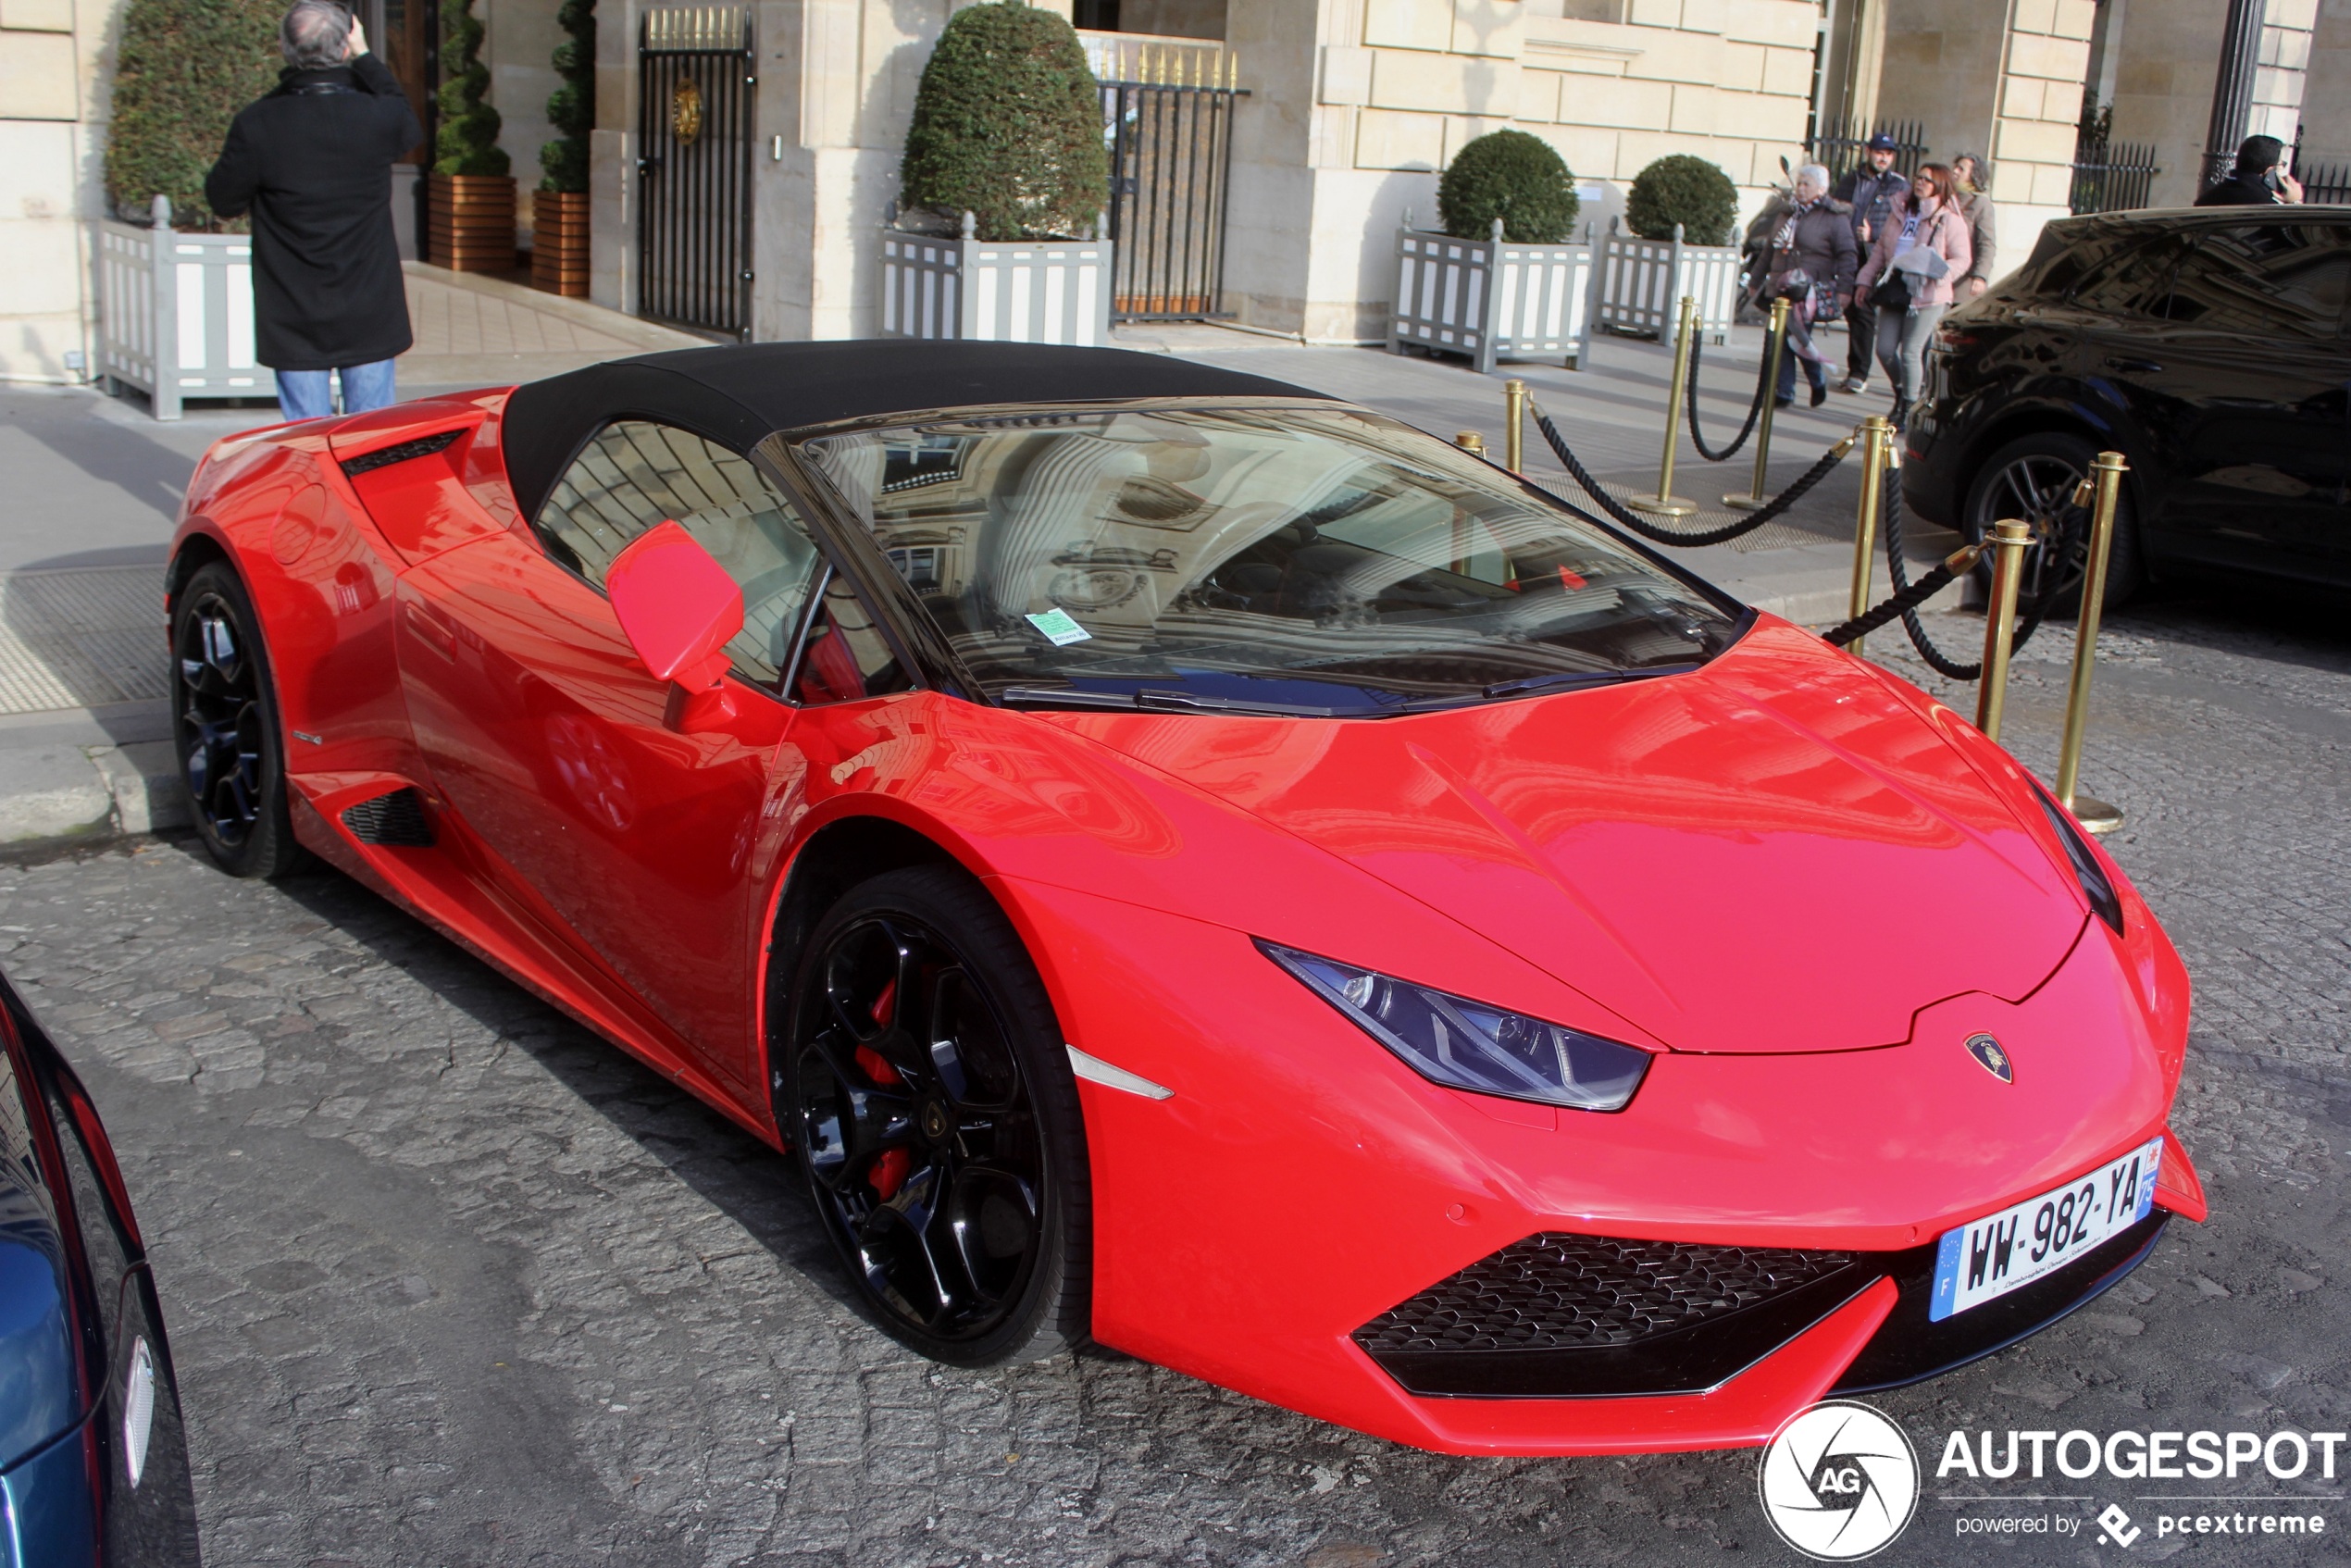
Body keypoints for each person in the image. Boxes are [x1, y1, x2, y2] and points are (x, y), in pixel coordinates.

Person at [205, 2, 421, 423]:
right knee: (370, 439)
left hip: (294, 307)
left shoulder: (259, 123)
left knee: (307, 442)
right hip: (369, 304)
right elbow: (403, 114)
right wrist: (364, 56)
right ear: (345, 46)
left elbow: (223, 200)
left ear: (287, 51)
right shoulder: (378, 115)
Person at [1855, 162, 1972, 429]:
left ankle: (1909, 407)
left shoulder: (1948, 219)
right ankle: (1903, 392)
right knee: (1884, 350)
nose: (1919, 183)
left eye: (1927, 180)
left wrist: (1939, 273)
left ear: (1940, 186)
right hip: (1896, 288)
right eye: (1918, 178)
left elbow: (1962, 259)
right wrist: (1864, 280)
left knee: (1910, 352)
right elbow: (1880, 251)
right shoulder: (1900, 212)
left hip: (1929, 293)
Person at [1751, 165, 1856, 409]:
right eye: (1799, 183)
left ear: (1821, 188)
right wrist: (1756, 280)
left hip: (1807, 288)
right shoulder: (1788, 212)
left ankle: (1815, 377)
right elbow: (1769, 250)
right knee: (1779, 338)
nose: (1800, 188)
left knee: (1796, 336)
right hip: (1780, 285)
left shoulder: (1834, 217)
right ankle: (1785, 390)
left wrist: (1845, 288)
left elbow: (1847, 254)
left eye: (1806, 184)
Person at [1831, 133, 1910, 395]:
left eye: (1888, 154)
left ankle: (1859, 372)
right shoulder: (1850, 180)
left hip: (1874, 254)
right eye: (1879, 152)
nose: (1883, 158)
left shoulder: (1898, 186)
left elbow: (1902, 226)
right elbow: (1837, 209)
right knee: (1851, 311)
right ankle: (1855, 368)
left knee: (1862, 309)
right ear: (1868, 152)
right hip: (1848, 252)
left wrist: (1873, 234)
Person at [2195, 134, 2306, 206]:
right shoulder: (2266, 205)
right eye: (2281, 165)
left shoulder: (2209, 198)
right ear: (2269, 170)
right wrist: (2294, 203)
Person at [1950, 154, 1997, 302]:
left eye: (1961, 169)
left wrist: (1980, 276)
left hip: (1963, 283)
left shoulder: (1980, 204)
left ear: (1973, 176)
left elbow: (1986, 243)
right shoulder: (1947, 199)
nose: (1955, 171)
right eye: (1955, 167)